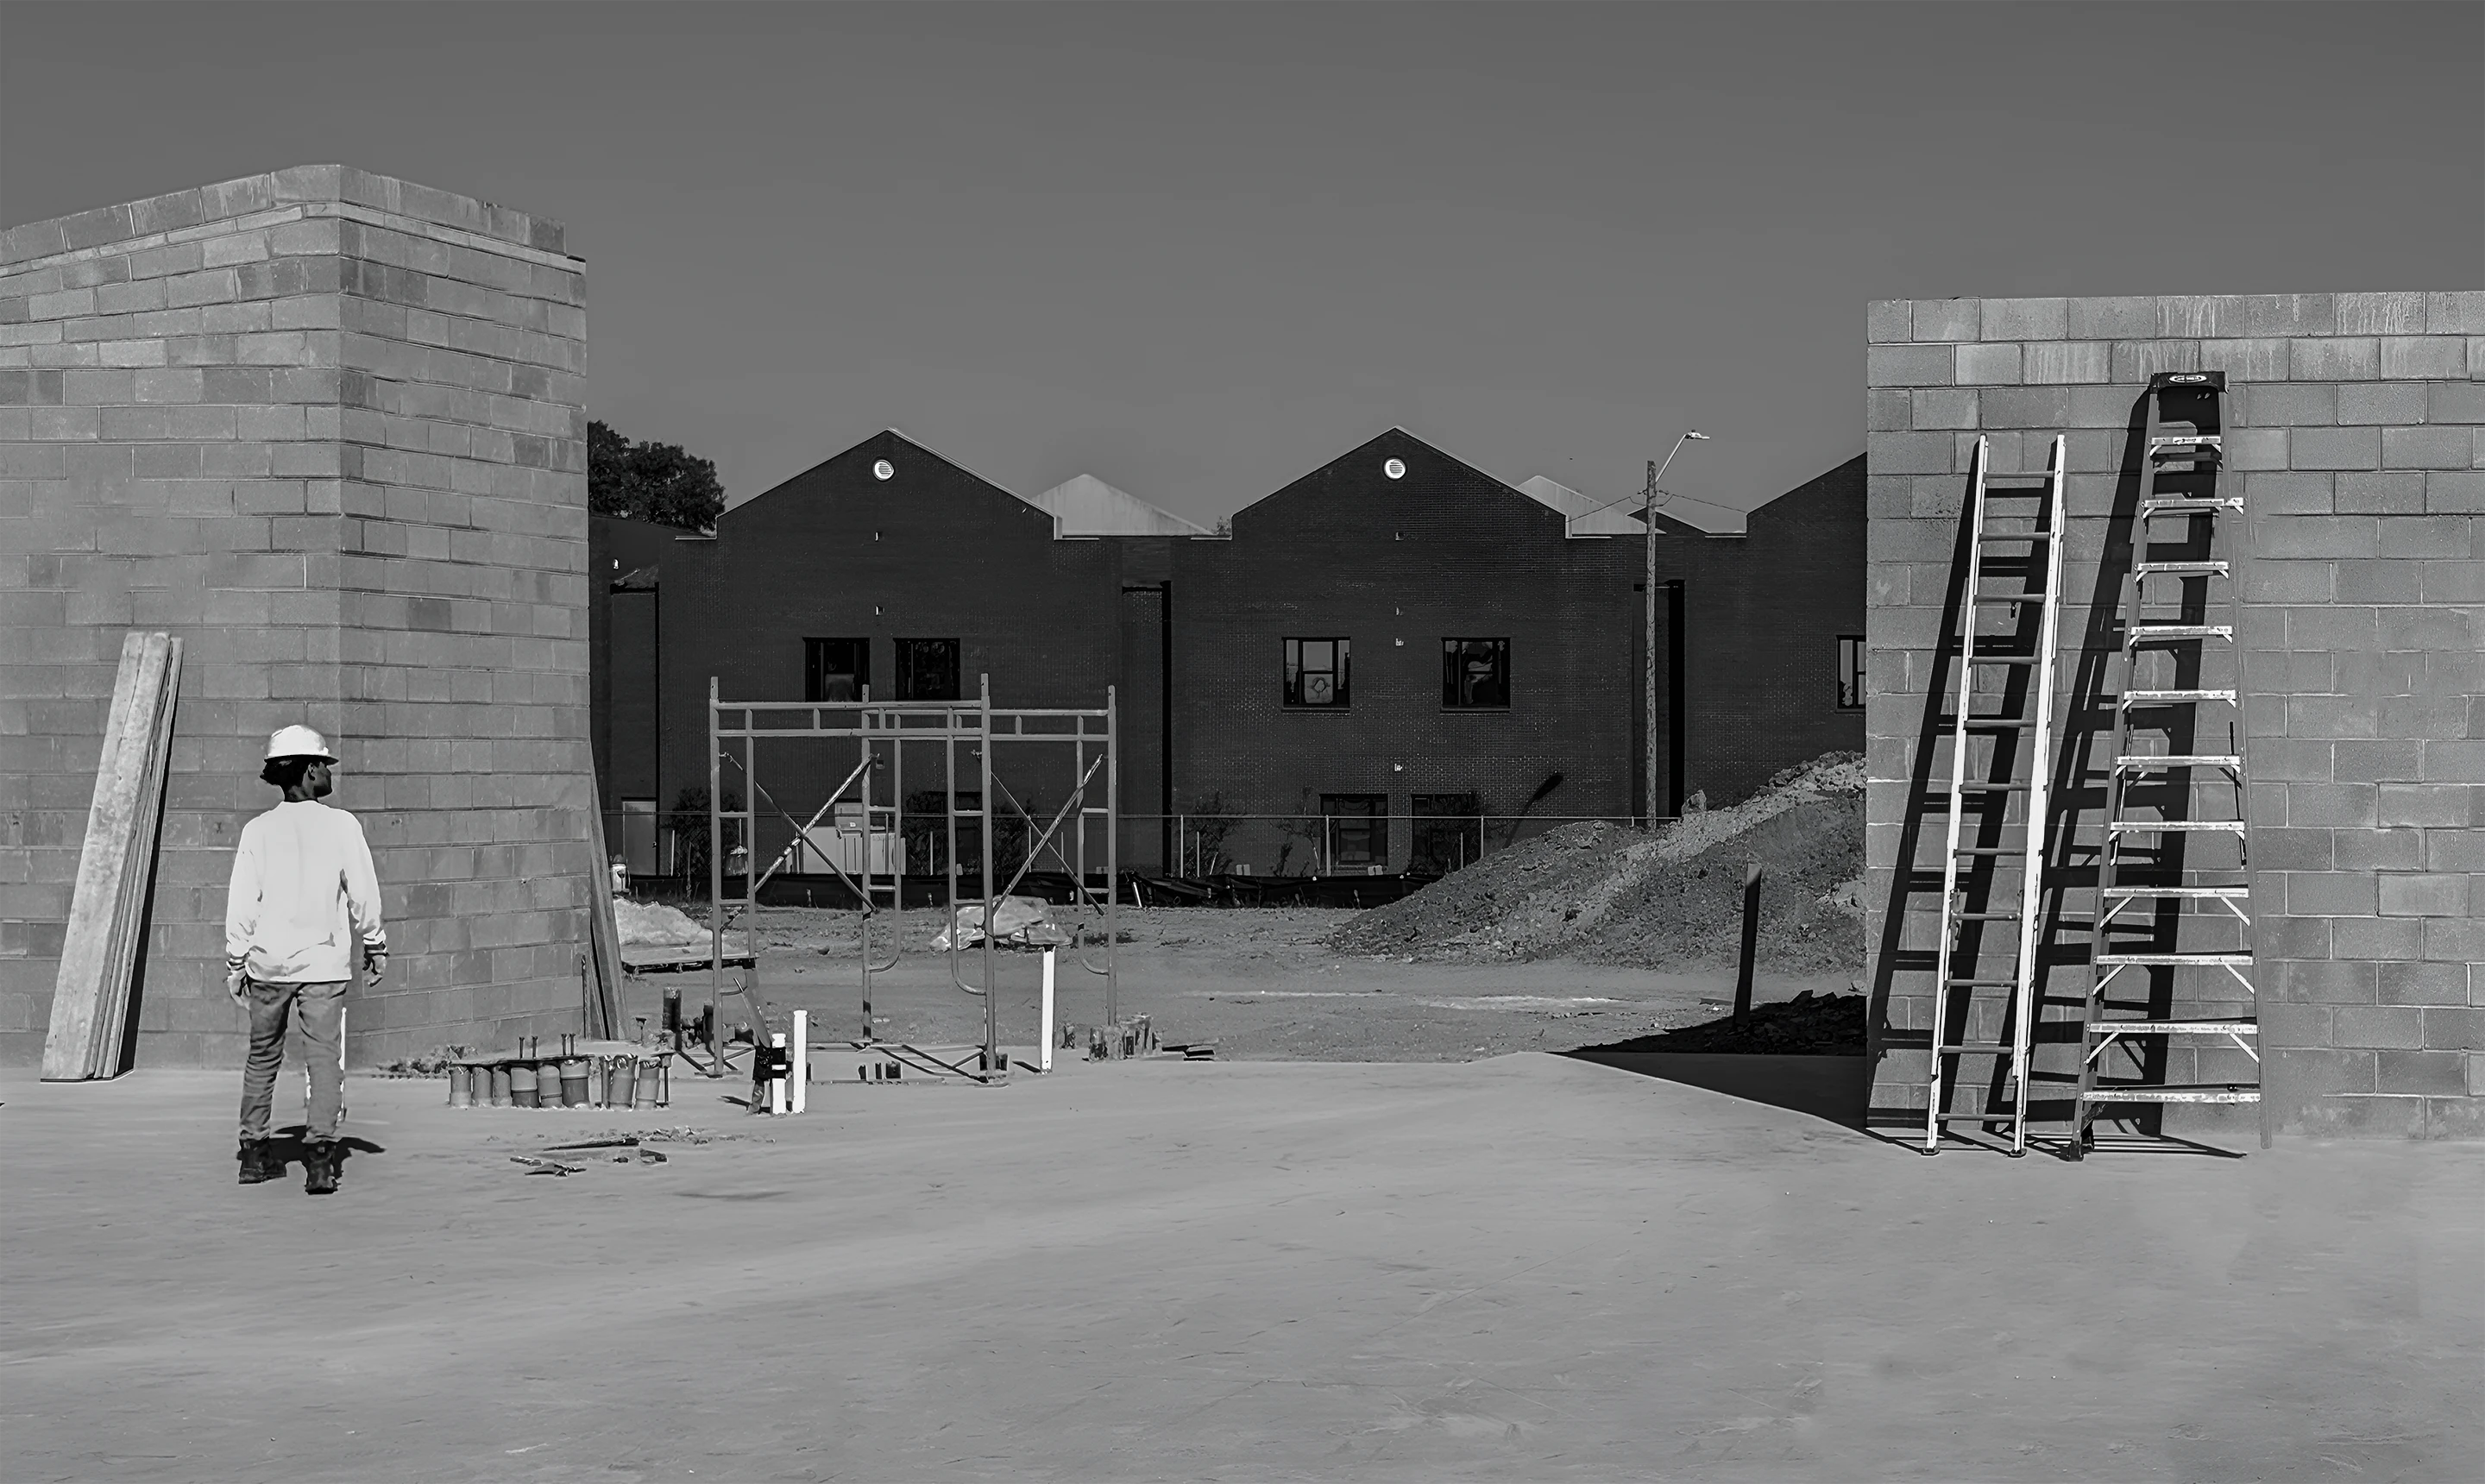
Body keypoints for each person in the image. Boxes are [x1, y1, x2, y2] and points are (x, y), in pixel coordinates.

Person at [226, 725, 387, 1194]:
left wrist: (237, 963)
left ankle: (254, 1156)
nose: (329, 772)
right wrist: (374, 944)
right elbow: (363, 891)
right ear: (310, 769)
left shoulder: (257, 831)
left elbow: (242, 904)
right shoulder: (341, 826)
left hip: (267, 966)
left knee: (262, 1059)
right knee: (323, 1061)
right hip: (322, 967)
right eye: (325, 765)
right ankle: (320, 1161)